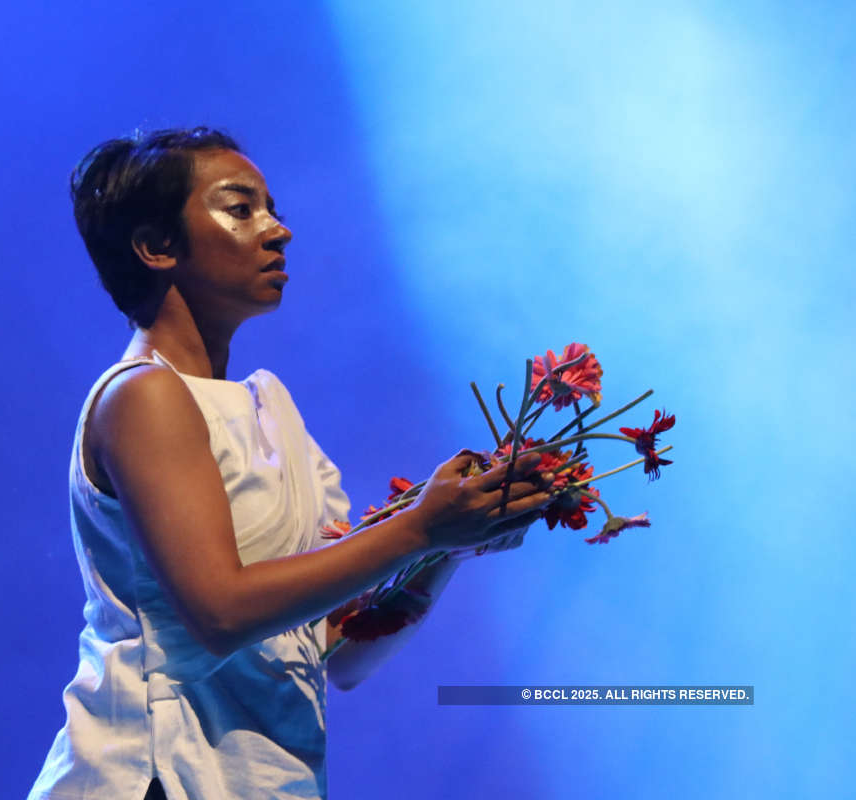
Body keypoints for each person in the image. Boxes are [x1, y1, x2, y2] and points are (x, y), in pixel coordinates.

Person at [28, 127, 554, 800]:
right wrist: (418, 529)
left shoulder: (270, 411)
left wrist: (446, 546)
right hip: (157, 775)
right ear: (157, 247)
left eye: (271, 208)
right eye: (240, 208)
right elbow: (220, 612)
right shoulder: (145, 395)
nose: (279, 231)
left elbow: (341, 649)